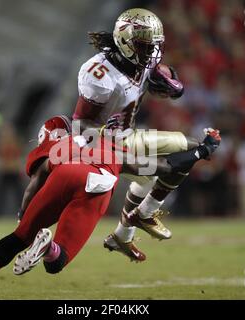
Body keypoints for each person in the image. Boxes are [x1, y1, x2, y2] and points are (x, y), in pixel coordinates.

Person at [0, 115, 221, 300]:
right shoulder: (113, 148)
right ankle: (48, 247)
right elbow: (167, 167)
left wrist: (24, 218)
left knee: (16, 239)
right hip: (97, 182)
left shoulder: (61, 147)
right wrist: (201, 151)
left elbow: (32, 187)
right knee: (56, 263)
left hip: (63, 173)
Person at [72, 8, 205, 261]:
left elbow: (161, 81)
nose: (152, 52)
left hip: (127, 138)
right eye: (145, 46)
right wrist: (105, 148)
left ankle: (123, 235)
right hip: (102, 147)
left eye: (154, 45)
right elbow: (80, 124)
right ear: (125, 43)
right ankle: (144, 214)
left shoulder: (141, 60)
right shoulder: (100, 73)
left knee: (179, 156)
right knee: (172, 163)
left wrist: (168, 82)